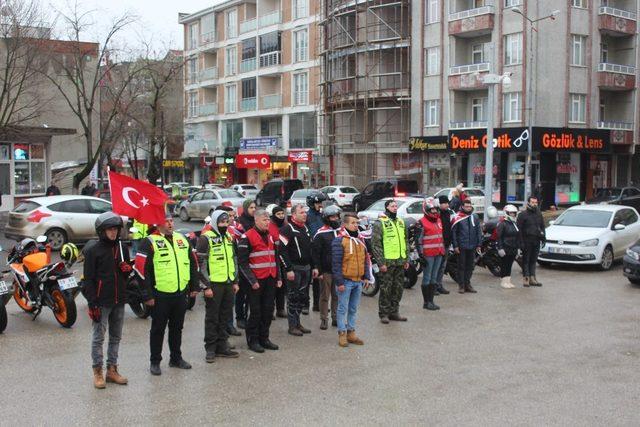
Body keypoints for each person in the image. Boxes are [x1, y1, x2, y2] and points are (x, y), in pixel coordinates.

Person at [136, 215, 199, 376]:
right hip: (160, 294)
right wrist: (147, 295)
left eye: (171, 220)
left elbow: (193, 263)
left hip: (180, 293)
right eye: (166, 221)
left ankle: (176, 358)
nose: (170, 224)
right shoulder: (149, 241)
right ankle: (155, 361)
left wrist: (194, 286)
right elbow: (141, 270)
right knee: (158, 329)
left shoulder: (182, 239)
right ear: (157, 223)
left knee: (177, 327)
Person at [82, 212, 130, 389]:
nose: (113, 233)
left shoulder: (122, 248)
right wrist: (92, 302)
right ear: (102, 231)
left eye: (116, 229)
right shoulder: (93, 250)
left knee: (116, 336)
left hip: (119, 299)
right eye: (110, 229)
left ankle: (112, 370)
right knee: (98, 338)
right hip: (102, 302)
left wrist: (126, 270)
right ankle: (97, 372)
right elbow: (88, 279)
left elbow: (124, 274)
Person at [196, 211, 240, 363]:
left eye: (227, 222)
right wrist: (205, 286)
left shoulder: (229, 237)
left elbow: (234, 260)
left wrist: (235, 281)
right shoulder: (205, 238)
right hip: (213, 285)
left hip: (228, 283)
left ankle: (223, 346)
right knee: (212, 318)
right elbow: (200, 265)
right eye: (222, 222)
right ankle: (210, 348)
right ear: (215, 222)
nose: (225, 225)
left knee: (225, 316)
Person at [237, 209, 282, 353]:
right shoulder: (247, 237)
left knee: (268, 310)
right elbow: (242, 263)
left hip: (270, 278)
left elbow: (276, 258)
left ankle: (264, 338)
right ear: (256, 220)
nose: (267, 222)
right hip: (255, 281)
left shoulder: (270, 236)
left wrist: (279, 277)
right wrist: (252, 280)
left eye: (268, 220)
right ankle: (253, 340)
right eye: (264, 220)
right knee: (255, 312)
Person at [331, 213, 371, 347]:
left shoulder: (360, 240)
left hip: (358, 281)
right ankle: (342, 333)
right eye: (353, 223)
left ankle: (351, 332)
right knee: (342, 309)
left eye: (356, 223)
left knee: (353, 309)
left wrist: (366, 276)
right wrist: (339, 282)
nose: (356, 225)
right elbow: (336, 264)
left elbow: (365, 259)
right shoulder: (339, 240)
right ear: (345, 225)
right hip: (345, 281)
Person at [279, 204, 317, 336]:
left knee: (303, 297)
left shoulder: (305, 228)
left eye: (305, 212)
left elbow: (311, 250)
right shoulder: (286, 229)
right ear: (293, 215)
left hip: (306, 268)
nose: (305, 214)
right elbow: (281, 251)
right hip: (294, 268)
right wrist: (288, 269)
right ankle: (292, 325)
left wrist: (315, 266)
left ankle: (298, 322)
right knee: (293, 297)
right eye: (301, 212)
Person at [372, 199, 409, 324]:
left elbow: (405, 241)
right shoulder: (380, 223)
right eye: (392, 206)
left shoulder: (400, 222)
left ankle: (394, 311)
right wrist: (381, 262)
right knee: (386, 288)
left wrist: (406, 259)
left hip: (399, 260)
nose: (395, 208)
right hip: (387, 262)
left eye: (396, 206)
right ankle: (384, 313)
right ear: (387, 207)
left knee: (398, 288)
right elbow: (376, 244)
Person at [312, 205, 343, 330]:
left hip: (339, 271)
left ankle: (335, 317)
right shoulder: (321, 234)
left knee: (337, 296)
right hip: (326, 271)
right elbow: (315, 253)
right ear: (326, 218)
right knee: (325, 296)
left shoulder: (341, 232)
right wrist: (318, 269)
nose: (335, 219)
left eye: (336, 216)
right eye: (332, 217)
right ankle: (324, 319)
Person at [215, 205, 243, 337]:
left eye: (232, 216)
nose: (231, 219)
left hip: (230, 273)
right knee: (217, 310)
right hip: (216, 278)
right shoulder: (209, 232)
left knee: (229, 304)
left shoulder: (232, 230)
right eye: (228, 216)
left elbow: (234, 254)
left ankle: (229, 326)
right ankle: (220, 333)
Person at [415, 198, 445, 311]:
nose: (434, 212)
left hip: (438, 252)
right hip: (428, 255)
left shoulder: (438, 220)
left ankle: (431, 301)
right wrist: (421, 255)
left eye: (435, 209)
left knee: (434, 278)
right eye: (431, 209)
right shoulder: (421, 223)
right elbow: (418, 241)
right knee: (427, 278)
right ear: (426, 210)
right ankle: (426, 302)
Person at [451, 199, 482, 294]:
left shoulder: (475, 216)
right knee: (461, 266)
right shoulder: (457, 217)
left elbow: (478, 231)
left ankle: (467, 284)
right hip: (462, 246)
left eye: (469, 206)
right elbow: (454, 233)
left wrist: (479, 244)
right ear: (462, 207)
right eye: (466, 206)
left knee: (470, 266)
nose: (468, 208)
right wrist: (455, 246)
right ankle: (461, 286)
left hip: (472, 246)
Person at [235, 199, 256, 329]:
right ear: (245, 208)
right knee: (241, 293)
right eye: (251, 207)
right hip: (243, 260)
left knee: (252, 292)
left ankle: (251, 315)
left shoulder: (255, 221)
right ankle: (240, 317)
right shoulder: (240, 223)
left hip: (254, 261)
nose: (254, 209)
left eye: (255, 207)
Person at [517, 196, 545, 287]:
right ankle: (526, 279)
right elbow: (519, 230)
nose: (534, 204)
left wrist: (544, 238)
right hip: (526, 241)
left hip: (536, 240)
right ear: (528, 203)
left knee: (533, 260)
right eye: (532, 202)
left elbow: (542, 226)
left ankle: (533, 278)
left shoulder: (538, 214)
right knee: (526, 260)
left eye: (536, 202)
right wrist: (521, 242)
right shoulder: (522, 215)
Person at [305, 191, 326, 313]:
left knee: (319, 279)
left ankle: (317, 304)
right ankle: (305, 305)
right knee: (308, 279)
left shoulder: (322, 216)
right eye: (318, 203)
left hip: (321, 250)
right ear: (312, 204)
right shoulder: (307, 216)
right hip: (310, 250)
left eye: (321, 203)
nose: (320, 205)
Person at [266, 204, 287, 319]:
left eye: (282, 214)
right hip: (274, 259)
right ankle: (271, 309)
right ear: (273, 215)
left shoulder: (285, 225)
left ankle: (281, 308)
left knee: (282, 286)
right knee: (273, 286)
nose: (281, 216)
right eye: (278, 214)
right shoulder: (270, 226)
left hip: (284, 259)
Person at [496, 204, 521, 289]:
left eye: (514, 213)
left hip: (513, 248)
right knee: (504, 265)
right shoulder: (502, 224)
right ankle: (503, 281)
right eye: (511, 213)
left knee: (510, 265)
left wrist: (518, 248)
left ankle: (508, 281)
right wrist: (500, 248)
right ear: (506, 213)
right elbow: (499, 237)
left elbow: (518, 237)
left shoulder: (514, 224)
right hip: (505, 248)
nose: (513, 215)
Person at [434, 195, 453, 295]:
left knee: (442, 266)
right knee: (436, 266)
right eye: (444, 203)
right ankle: (433, 287)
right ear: (439, 204)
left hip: (446, 243)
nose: (447, 205)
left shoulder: (447, 213)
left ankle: (439, 285)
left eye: (447, 203)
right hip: (438, 244)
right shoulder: (437, 214)